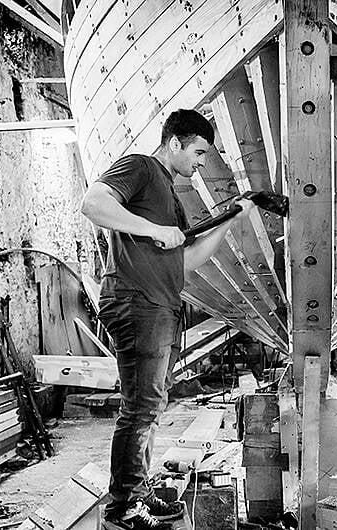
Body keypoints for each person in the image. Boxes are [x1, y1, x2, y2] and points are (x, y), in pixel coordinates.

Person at [81, 109, 254, 530]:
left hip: (160, 303)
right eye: (197, 152)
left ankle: (135, 493)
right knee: (140, 407)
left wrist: (229, 222)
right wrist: (153, 229)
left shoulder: (171, 197)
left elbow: (186, 262)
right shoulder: (140, 167)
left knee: (151, 404)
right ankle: (123, 507)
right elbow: (93, 203)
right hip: (137, 301)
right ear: (174, 142)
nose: (200, 163)